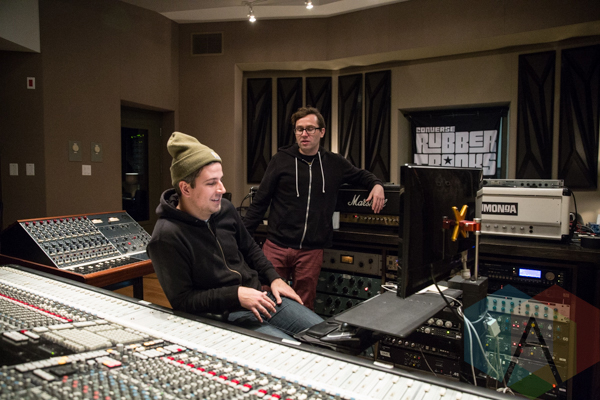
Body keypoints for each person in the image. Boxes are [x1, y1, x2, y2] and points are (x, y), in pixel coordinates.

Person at [147, 131, 323, 340]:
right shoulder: (166, 237)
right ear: (185, 188)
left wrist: (274, 278)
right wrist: (236, 295)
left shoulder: (225, 209)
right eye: (211, 183)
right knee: (289, 352)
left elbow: (250, 248)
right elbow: (183, 301)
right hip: (225, 314)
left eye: (220, 180)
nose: (222, 189)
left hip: (258, 296)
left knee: (326, 337)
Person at [243, 107, 386, 310]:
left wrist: (377, 184)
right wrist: (242, 238)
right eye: (299, 129)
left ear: (322, 132)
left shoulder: (335, 163)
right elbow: (260, 202)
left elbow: (362, 175)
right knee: (267, 300)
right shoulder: (280, 160)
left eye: (310, 128)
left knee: (304, 305)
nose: (304, 134)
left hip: (311, 251)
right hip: (276, 246)